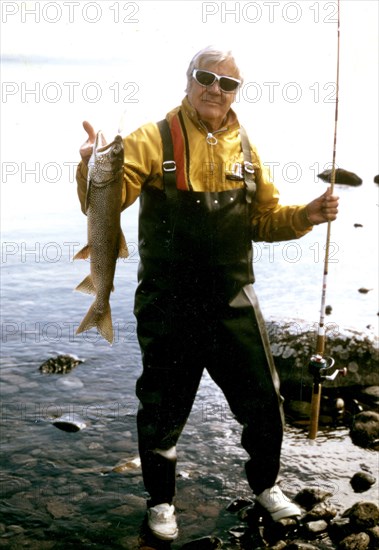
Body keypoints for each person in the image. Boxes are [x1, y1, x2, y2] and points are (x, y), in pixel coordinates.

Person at [77, 46, 339, 542]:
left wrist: (306, 215)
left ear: (237, 91)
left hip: (233, 301)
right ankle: (160, 503)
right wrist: (92, 167)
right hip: (169, 305)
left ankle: (265, 485)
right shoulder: (152, 139)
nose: (216, 89)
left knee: (264, 403)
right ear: (189, 80)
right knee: (161, 409)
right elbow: (107, 199)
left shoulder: (245, 146)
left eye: (228, 83)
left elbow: (262, 219)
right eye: (206, 77)